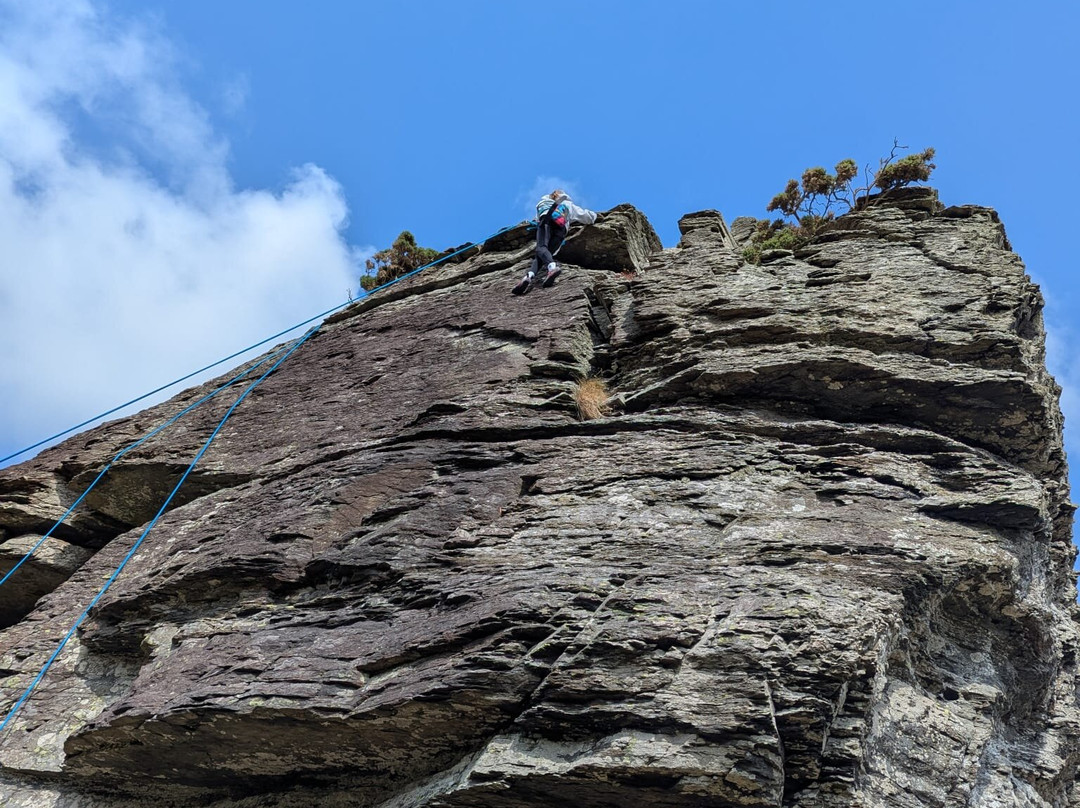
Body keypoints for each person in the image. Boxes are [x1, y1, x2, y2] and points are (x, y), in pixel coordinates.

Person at [512, 189, 598, 295]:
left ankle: (552, 267)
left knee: (541, 248)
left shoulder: (542, 203)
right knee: (541, 255)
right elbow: (586, 216)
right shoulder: (568, 204)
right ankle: (528, 276)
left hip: (546, 221)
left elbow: (538, 218)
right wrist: (594, 216)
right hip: (561, 229)